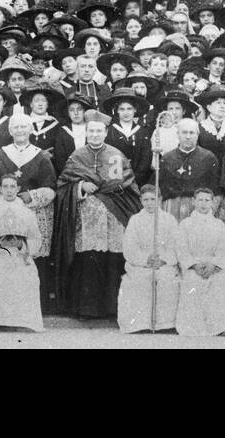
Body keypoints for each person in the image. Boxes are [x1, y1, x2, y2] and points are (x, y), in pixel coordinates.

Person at [53, 113, 140, 319]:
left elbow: (123, 183)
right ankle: (86, 309)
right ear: (86, 132)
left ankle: (111, 308)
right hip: (85, 219)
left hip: (113, 216)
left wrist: (101, 187)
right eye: (91, 131)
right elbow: (63, 184)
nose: (94, 135)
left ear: (106, 133)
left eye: (98, 131)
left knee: (111, 260)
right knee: (88, 260)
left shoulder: (115, 155)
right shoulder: (77, 156)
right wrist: (81, 185)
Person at [0, 113, 57, 308]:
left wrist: (31, 196)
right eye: (16, 127)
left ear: (30, 130)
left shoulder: (40, 156)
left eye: (24, 127)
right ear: (10, 130)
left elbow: (50, 189)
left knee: (29, 254)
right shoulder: (0, 155)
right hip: (5, 212)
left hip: (31, 212)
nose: (20, 131)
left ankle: (32, 307)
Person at [0, 173, 44, 332]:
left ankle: (20, 320)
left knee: (25, 277)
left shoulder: (27, 213)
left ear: (18, 188)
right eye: (5, 187)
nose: (9, 190)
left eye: (12, 186)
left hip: (20, 257)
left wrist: (22, 245)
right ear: (0, 189)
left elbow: (36, 238)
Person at [118, 184, 179, 333]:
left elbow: (175, 246)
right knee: (141, 280)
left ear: (160, 199)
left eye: (153, 199)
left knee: (166, 279)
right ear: (141, 201)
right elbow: (129, 247)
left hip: (163, 263)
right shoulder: (135, 220)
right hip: (141, 264)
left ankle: (165, 324)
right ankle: (139, 323)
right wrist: (146, 260)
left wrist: (163, 259)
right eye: (146, 200)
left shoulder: (169, 219)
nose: (150, 203)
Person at [174, 187, 225, 337]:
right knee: (193, 282)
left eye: (207, 200)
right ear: (194, 202)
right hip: (194, 267)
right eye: (200, 200)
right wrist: (194, 265)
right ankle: (192, 327)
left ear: (213, 202)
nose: (203, 204)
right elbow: (182, 249)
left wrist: (213, 265)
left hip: (214, 266)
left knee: (219, 282)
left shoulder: (219, 225)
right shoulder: (185, 224)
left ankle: (220, 326)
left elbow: (223, 249)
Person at [158, 119, 219, 221]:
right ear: (178, 134)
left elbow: (216, 190)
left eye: (192, 133)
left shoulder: (208, 158)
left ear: (197, 135)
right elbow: (159, 189)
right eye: (184, 132)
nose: (188, 137)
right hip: (172, 208)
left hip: (199, 208)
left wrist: (210, 210)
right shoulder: (167, 158)